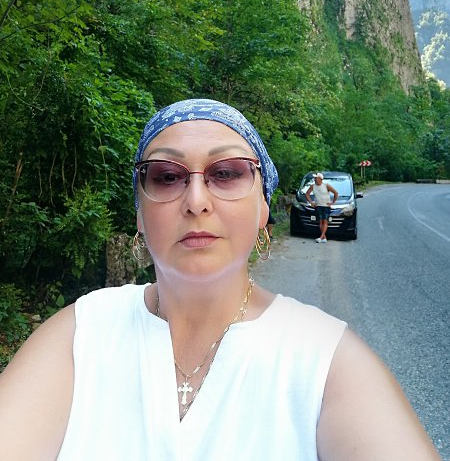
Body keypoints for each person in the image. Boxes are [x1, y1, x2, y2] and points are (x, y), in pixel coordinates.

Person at [0, 99, 440, 461]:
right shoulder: (78, 337)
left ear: (264, 208)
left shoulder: (327, 361)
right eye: (167, 176)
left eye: (226, 173)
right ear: (139, 214)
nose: (196, 201)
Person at [306, 172, 338, 243]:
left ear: (320, 179)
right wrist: (311, 202)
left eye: (316, 178)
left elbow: (335, 193)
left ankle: (321, 237)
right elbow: (307, 194)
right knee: (320, 221)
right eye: (314, 178)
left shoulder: (326, 185)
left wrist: (333, 202)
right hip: (318, 206)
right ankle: (324, 238)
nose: (315, 179)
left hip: (326, 206)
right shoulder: (313, 186)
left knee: (325, 221)